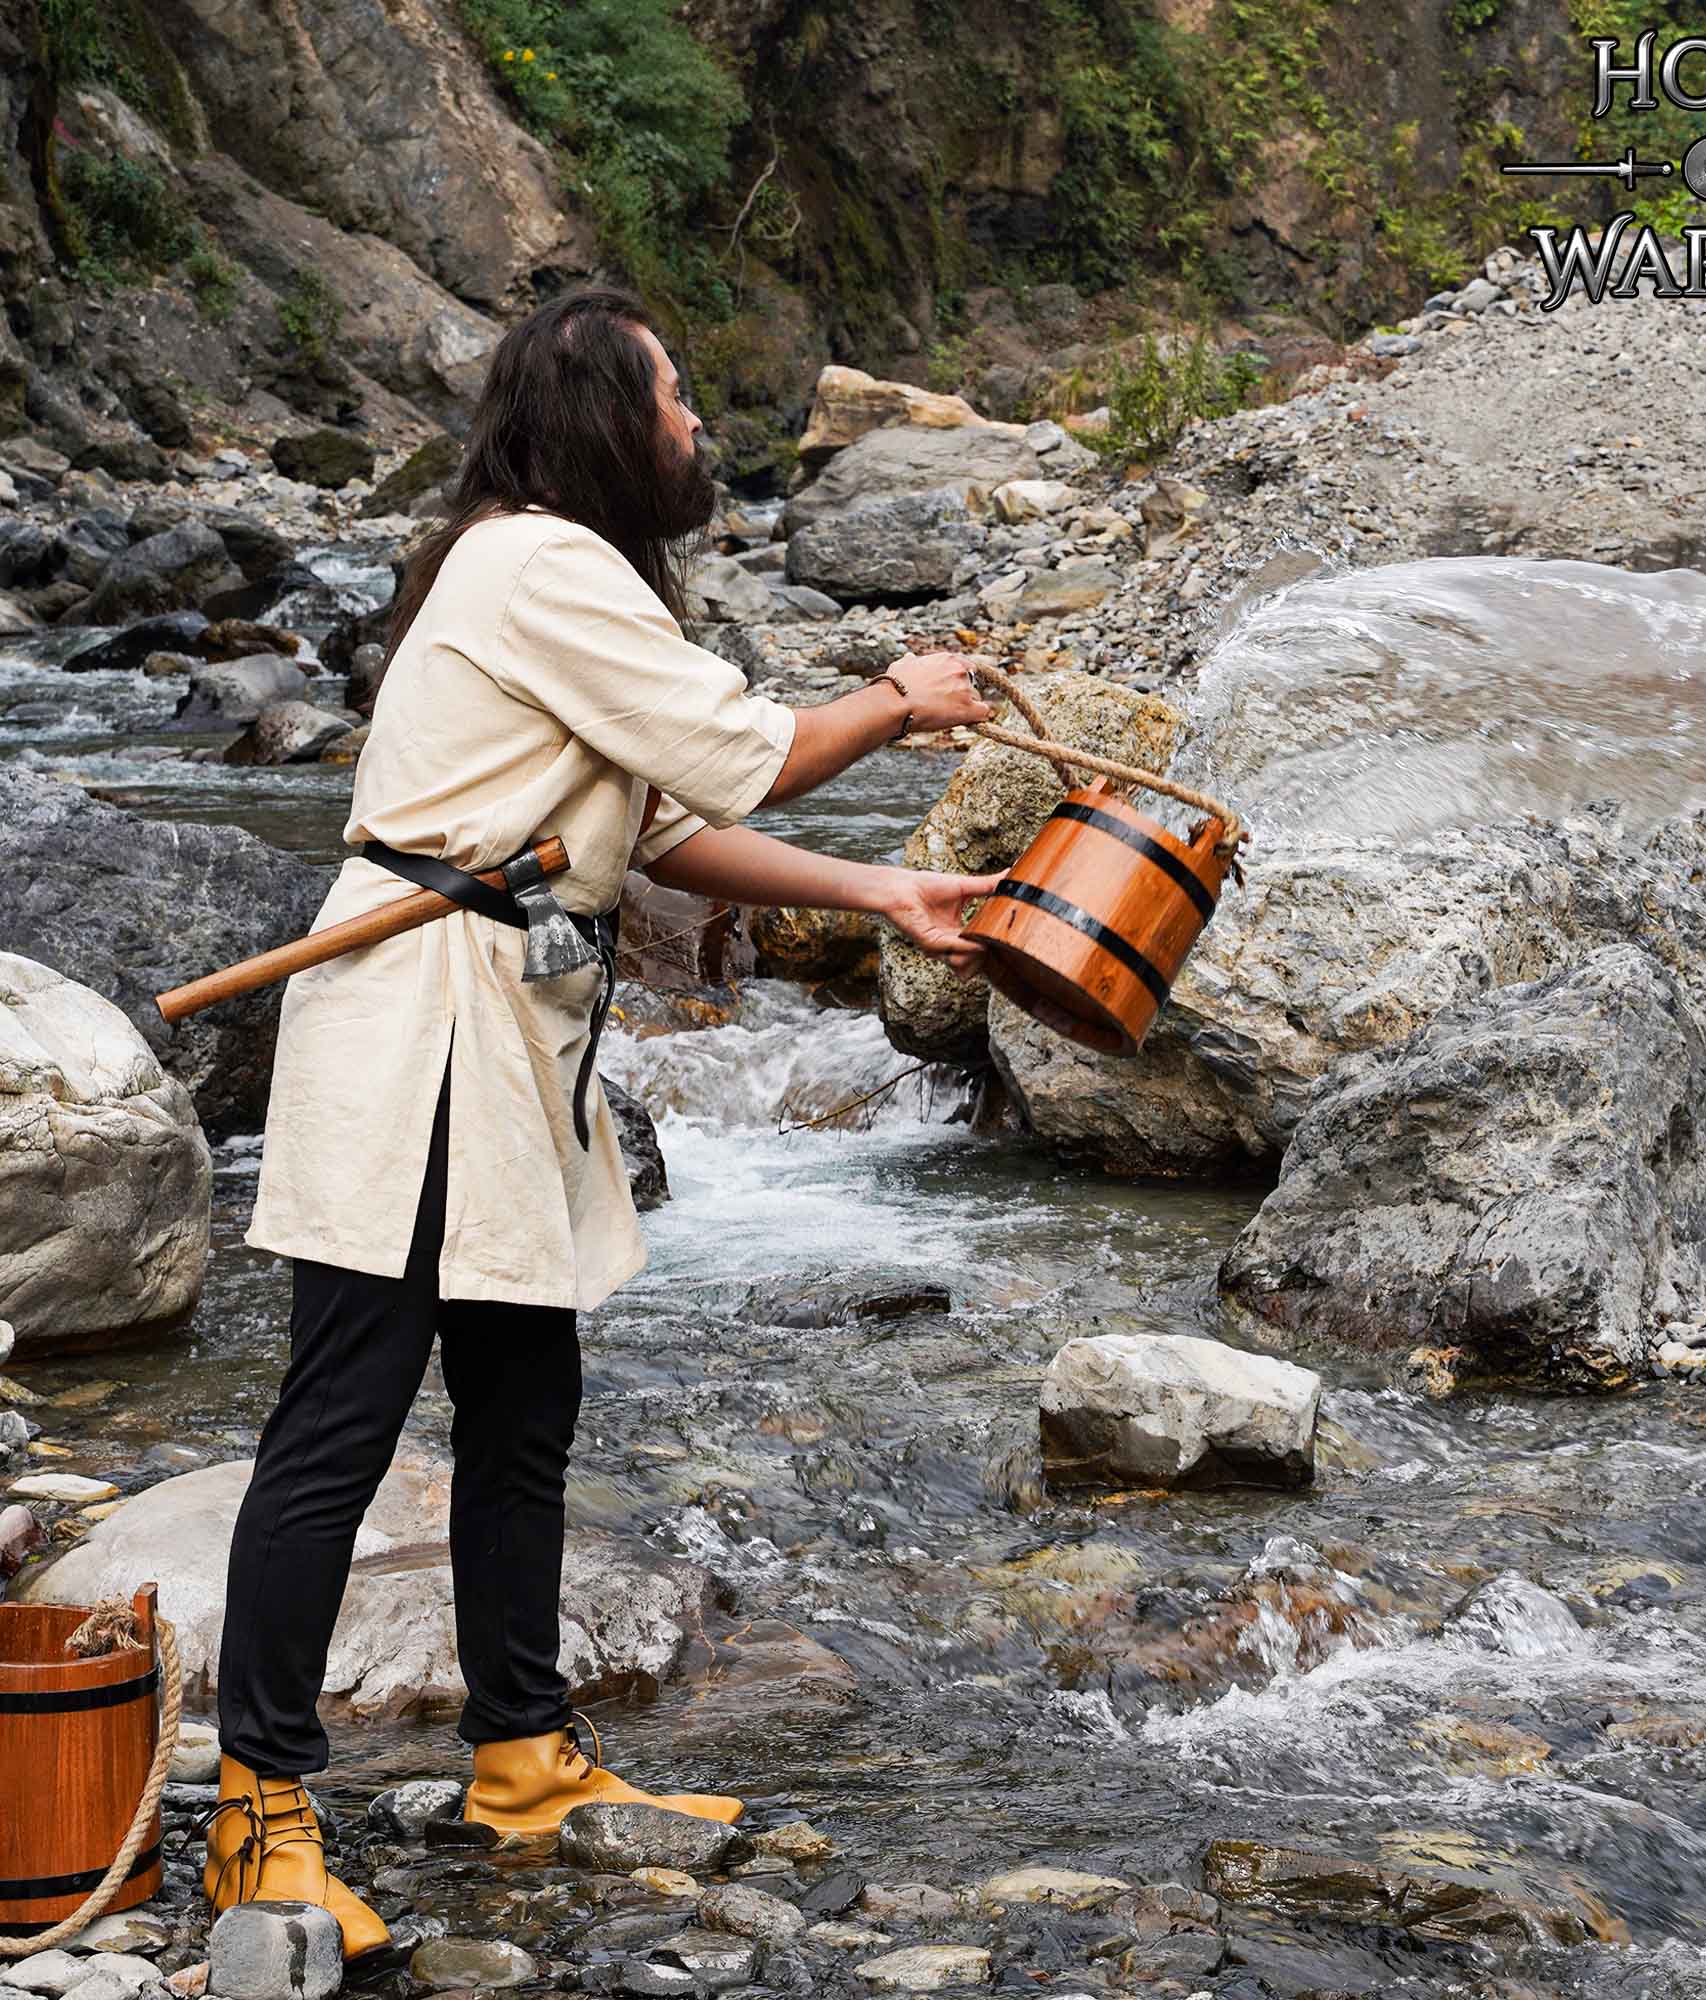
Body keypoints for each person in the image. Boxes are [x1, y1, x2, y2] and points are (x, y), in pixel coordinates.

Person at [202, 286, 1001, 1957]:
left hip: (499, 1026)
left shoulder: (537, 571)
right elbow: (750, 754)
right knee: (338, 1423)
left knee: (520, 1408)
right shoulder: (539, 565)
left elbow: (649, 834)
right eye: (678, 397)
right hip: (422, 1026)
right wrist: (900, 696)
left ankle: (520, 1756)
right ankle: (257, 1817)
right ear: (602, 420)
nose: (700, 426)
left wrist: (879, 890)